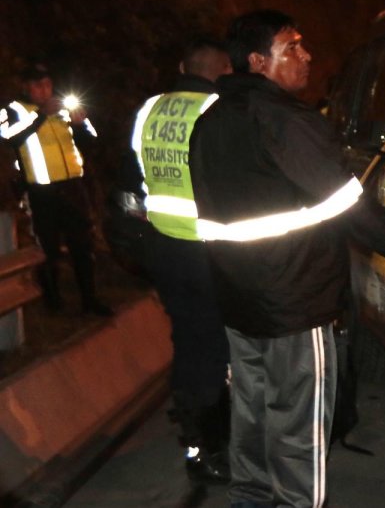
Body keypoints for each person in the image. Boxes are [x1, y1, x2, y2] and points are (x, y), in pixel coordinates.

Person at [189, 10, 385, 508]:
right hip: (294, 299)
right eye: (291, 47)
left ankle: (250, 500)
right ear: (257, 61)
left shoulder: (209, 122)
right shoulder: (287, 121)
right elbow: (344, 203)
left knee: (250, 414)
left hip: (238, 297)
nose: (306, 55)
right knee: (299, 422)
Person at [128, 37, 233, 484]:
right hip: (211, 248)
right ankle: (211, 444)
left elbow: (132, 178)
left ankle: (194, 432)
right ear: (223, 68)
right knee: (215, 347)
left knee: (188, 339)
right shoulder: (218, 110)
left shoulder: (149, 109)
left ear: (182, 64)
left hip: (164, 246)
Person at [0, 64, 111, 316]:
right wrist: (40, 115)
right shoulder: (13, 110)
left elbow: (91, 140)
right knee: (47, 247)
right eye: (38, 85)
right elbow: (9, 137)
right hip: (41, 190)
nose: (44, 90)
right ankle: (53, 301)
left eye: (48, 84)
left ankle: (89, 300)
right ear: (25, 87)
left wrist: (80, 123)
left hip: (72, 186)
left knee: (82, 243)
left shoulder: (63, 110)